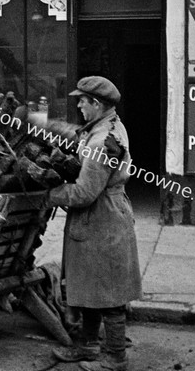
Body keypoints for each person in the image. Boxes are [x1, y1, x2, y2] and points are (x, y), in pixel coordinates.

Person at [42, 76, 142, 371]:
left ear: (97, 104)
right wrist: (48, 126)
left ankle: (115, 358)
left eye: (82, 101)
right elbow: (79, 137)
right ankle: (87, 345)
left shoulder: (101, 142)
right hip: (106, 216)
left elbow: (84, 193)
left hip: (101, 219)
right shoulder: (110, 127)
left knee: (109, 292)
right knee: (90, 286)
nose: (79, 106)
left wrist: (47, 195)